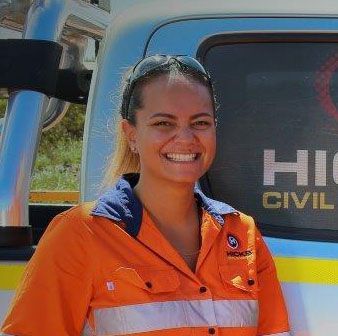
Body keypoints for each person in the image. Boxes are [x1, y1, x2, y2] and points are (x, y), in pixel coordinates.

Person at [1, 55, 290, 336]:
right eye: (164, 123)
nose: (186, 138)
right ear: (131, 134)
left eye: (200, 122)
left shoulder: (242, 232)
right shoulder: (80, 234)